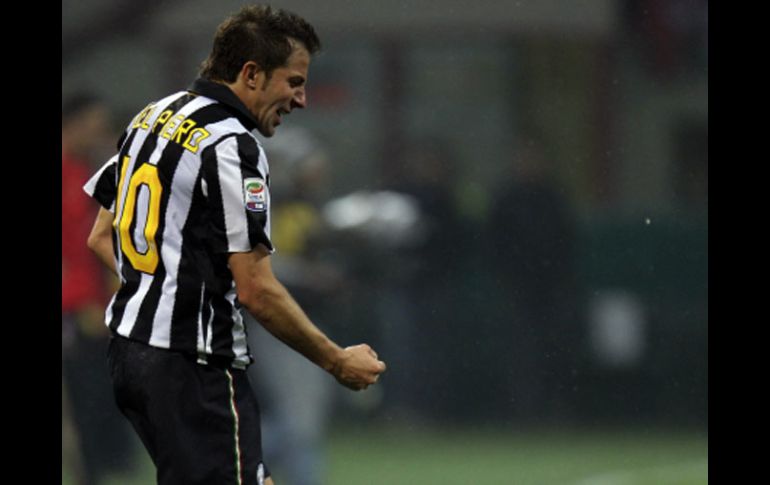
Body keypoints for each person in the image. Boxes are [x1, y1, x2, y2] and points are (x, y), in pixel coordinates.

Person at [82, 6, 386, 485]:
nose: (302, 99)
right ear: (251, 74)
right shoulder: (232, 147)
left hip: (132, 356)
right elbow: (256, 291)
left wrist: (159, 293)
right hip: (195, 366)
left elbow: (102, 236)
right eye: (294, 82)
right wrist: (337, 360)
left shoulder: (153, 115)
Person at [62, 92, 134, 485]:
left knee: (89, 405)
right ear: (72, 123)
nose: (98, 133)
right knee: (79, 409)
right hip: (72, 309)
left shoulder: (82, 172)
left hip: (89, 307)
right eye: (93, 125)